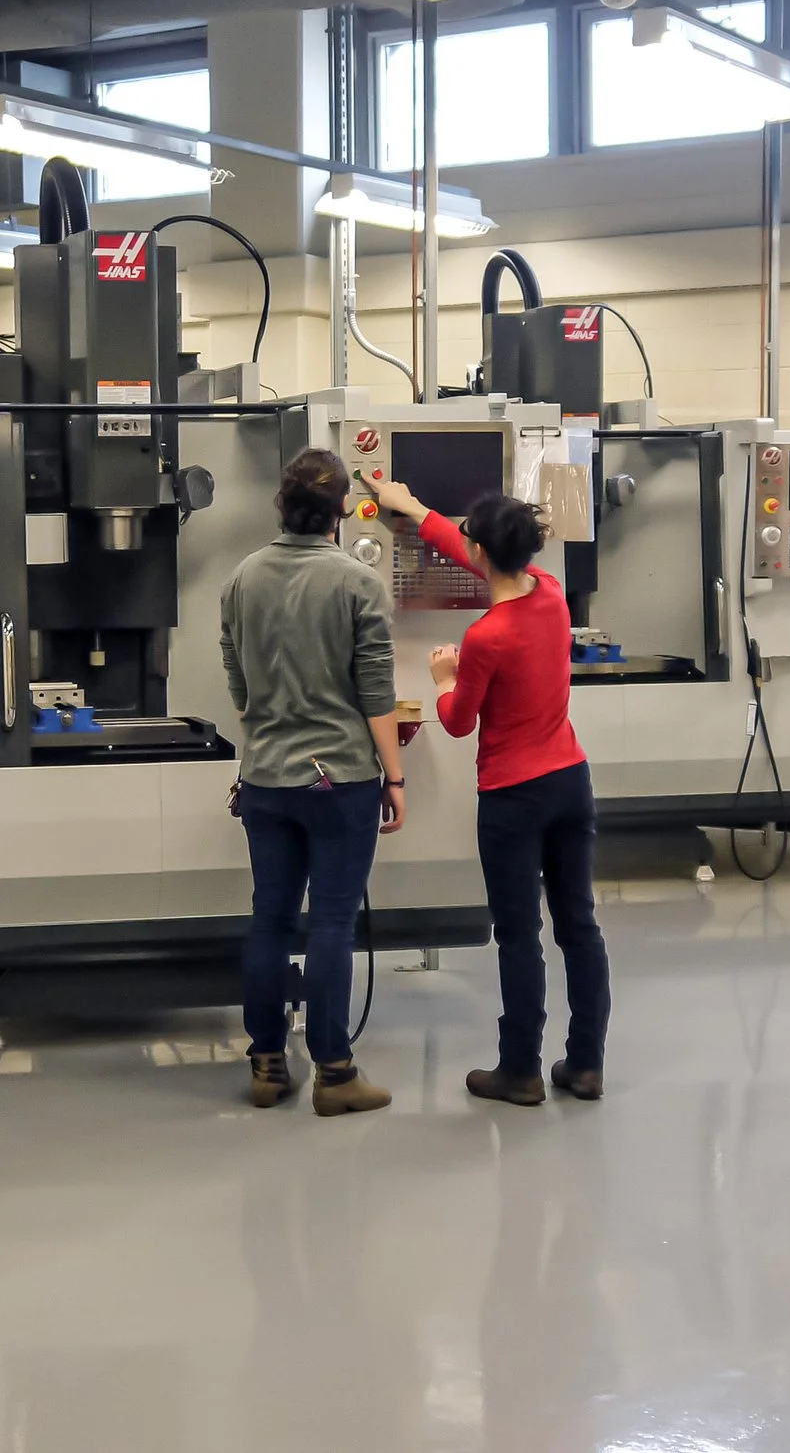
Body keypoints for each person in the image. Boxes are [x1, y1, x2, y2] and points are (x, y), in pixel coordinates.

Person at [361, 474, 609, 1106]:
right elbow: (472, 551)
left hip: (512, 797)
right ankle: (586, 1065)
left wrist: (443, 677)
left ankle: (520, 1070)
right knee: (579, 925)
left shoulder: (485, 638)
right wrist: (415, 509)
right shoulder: (550, 594)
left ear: (479, 552)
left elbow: (458, 721)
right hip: (570, 782)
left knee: (519, 934)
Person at [220, 450, 408, 1116]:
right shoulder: (358, 583)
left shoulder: (242, 578)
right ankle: (335, 1072)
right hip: (339, 781)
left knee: (269, 919)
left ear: (283, 504)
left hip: (265, 779)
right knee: (331, 923)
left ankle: (268, 1065)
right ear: (340, 510)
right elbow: (377, 694)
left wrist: (269, 727)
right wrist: (395, 776)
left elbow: (238, 682)